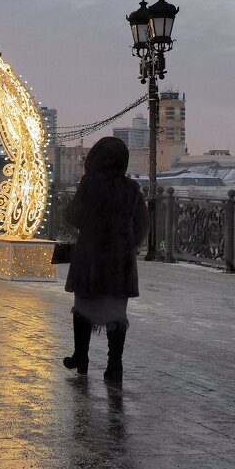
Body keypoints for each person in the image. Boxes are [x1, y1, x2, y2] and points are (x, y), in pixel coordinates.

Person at [62, 136, 149, 385]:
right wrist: (126, 245)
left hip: (90, 259)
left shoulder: (89, 186)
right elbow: (142, 225)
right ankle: (114, 366)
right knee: (116, 314)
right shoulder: (131, 189)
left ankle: (81, 357)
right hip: (119, 263)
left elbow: (73, 216)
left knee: (82, 309)